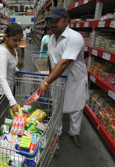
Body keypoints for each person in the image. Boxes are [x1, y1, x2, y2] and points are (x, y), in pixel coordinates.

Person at [37, 7, 88, 147]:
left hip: (75, 80)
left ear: (66, 20)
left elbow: (64, 62)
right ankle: (57, 132)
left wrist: (46, 82)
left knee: (76, 109)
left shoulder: (74, 37)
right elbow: (51, 59)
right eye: (51, 21)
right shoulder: (52, 39)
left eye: (56, 21)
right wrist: (49, 78)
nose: (53, 24)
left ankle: (74, 133)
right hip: (58, 80)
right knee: (57, 107)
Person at [0, 23, 23, 116]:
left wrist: (16, 70)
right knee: (5, 116)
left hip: (10, 85)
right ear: (6, 36)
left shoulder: (13, 48)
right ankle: (3, 130)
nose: (18, 43)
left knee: (10, 114)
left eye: (19, 40)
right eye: (15, 40)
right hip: (2, 90)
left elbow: (11, 64)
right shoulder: (2, 52)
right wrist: (12, 101)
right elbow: (2, 78)